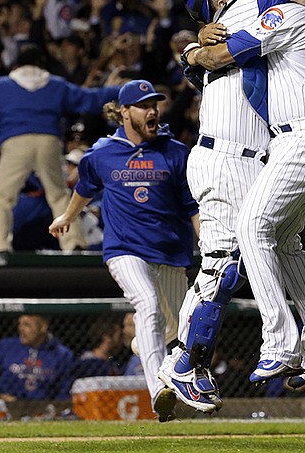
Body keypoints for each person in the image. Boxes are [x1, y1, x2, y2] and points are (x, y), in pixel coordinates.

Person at [157, 0, 305, 413]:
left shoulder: (240, 19)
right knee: (224, 265)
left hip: (251, 157)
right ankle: (186, 362)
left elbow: (203, 57)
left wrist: (192, 50)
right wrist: (197, 47)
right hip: (226, 158)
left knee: (272, 251)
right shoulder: (243, 10)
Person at [49, 80, 198, 423]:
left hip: (170, 253)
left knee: (175, 328)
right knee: (145, 305)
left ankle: (145, 345)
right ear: (124, 112)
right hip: (124, 249)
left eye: (155, 104)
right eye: (144, 105)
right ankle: (158, 389)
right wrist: (68, 217)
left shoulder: (175, 152)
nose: (153, 111)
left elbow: (192, 206)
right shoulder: (101, 153)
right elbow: (85, 187)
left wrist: (205, 241)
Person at [0, 44, 121, 252]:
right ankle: (73, 242)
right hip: (49, 143)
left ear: (17, 64)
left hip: (16, 143)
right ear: (41, 63)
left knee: (1, 195)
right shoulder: (55, 84)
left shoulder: (2, 86)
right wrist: (121, 90)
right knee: (59, 195)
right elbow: (89, 99)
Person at [0, 314, 74, 402]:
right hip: (5, 408)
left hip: (43, 410)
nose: (21, 329)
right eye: (20, 324)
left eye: (27, 325)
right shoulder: (6, 347)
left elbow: (64, 390)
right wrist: (0, 396)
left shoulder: (62, 354)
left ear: (43, 327)